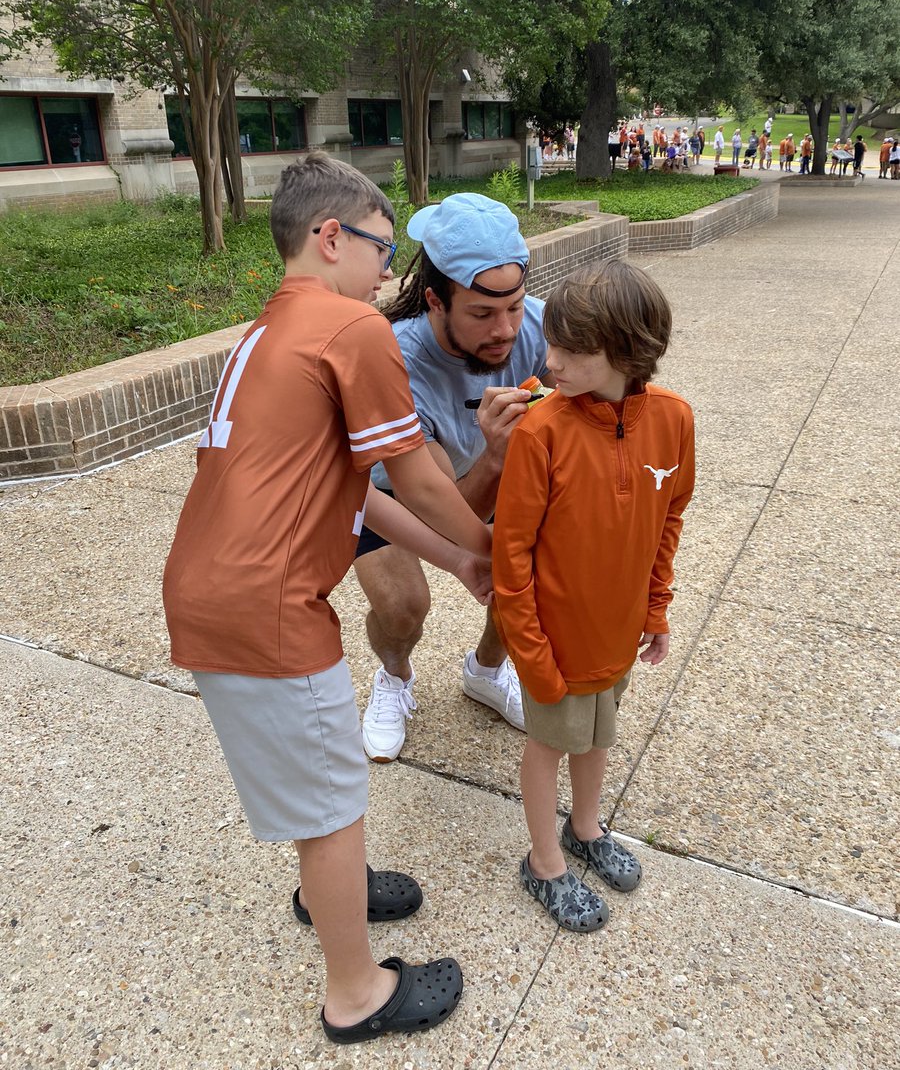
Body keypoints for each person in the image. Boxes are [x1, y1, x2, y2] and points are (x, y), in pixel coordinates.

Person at [162, 153, 497, 1044]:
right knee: (335, 795)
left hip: (214, 590)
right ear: (331, 236)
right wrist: (496, 543)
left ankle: (329, 892)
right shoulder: (353, 331)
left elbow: (362, 490)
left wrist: (459, 564)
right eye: (385, 250)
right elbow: (421, 475)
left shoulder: (270, 332)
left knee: (322, 783)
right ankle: (357, 995)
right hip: (267, 605)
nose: (390, 272)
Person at [492, 260, 695, 932]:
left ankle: (585, 827)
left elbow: (669, 517)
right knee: (548, 745)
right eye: (550, 344)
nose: (550, 362)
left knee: (599, 734)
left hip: (617, 634)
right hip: (554, 639)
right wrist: (531, 653)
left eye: (571, 351)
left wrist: (656, 606)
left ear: (628, 351)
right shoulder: (541, 430)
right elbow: (511, 552)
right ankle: (544, 862)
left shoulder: (672, 420)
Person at [354, 193, 553, 762]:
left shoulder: (537, 329)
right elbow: (439, 506)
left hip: (487, 475)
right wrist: (493, 455)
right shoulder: (396, 362)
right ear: (436, 302)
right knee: (403, 605)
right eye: (483, 314)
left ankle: (487, 672)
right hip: (402, 496)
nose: (506, 330)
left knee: (529, 576)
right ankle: (394, 677)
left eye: (514, 307)